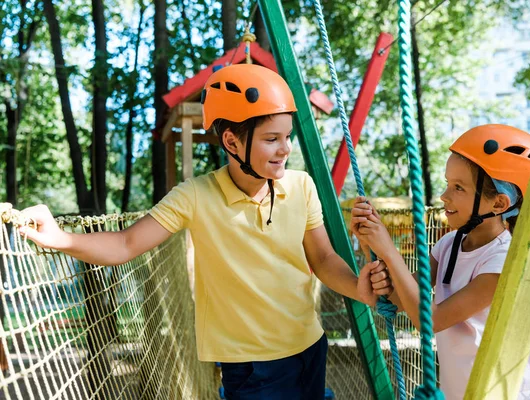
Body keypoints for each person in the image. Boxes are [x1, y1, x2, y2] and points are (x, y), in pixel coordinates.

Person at [19, 64, 392, 400]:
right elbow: (125, 243)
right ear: (231, 142)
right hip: (251, 366)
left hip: (310, 346)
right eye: (271, 139)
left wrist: (356, 288)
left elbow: (324, 259)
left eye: (287, 136)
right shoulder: (195, 196)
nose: (285, 149)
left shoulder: (302, 186)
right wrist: (60, 239)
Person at [351, 124, 530, 399]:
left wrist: (388, 251)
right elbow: (402, 298)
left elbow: (431, 319)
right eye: (447, 183)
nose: (444, 195)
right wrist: (370, 246)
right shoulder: (449, 244)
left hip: (510, 393)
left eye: (458, 187)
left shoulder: (503, 260)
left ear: (499, 204)